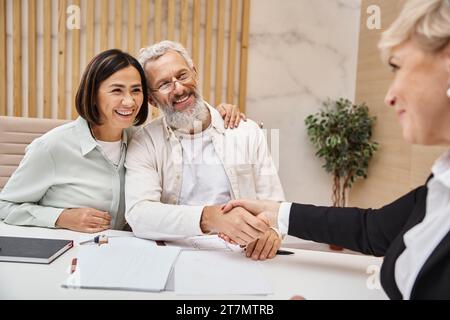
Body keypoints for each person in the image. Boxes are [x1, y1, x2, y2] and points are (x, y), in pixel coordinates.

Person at [221, 0, 450, 299]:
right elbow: (372, 230)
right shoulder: (440, 183)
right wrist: (274, 211)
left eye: (397, 66)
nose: (389, 96)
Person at [0, 49, 244, 233]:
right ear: (93, 94)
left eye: (136, 90)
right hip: (68, 257)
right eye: (117, 91)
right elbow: (5, 207)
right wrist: (61, 217)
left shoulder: (143, 140)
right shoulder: (51, 147)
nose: (129, 102)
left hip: (125, 255)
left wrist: (218, 115)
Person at [125, 41, 285, 260]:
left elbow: (275, 203)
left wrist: (273, 232)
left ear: (195, 74)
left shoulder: (246, 131)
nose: (179, 88)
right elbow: (139, 215)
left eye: (182, 76)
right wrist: (210, 217)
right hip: (170, 255)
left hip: (242, 256)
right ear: (151, 99)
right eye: (164, 84)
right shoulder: (145, 142)